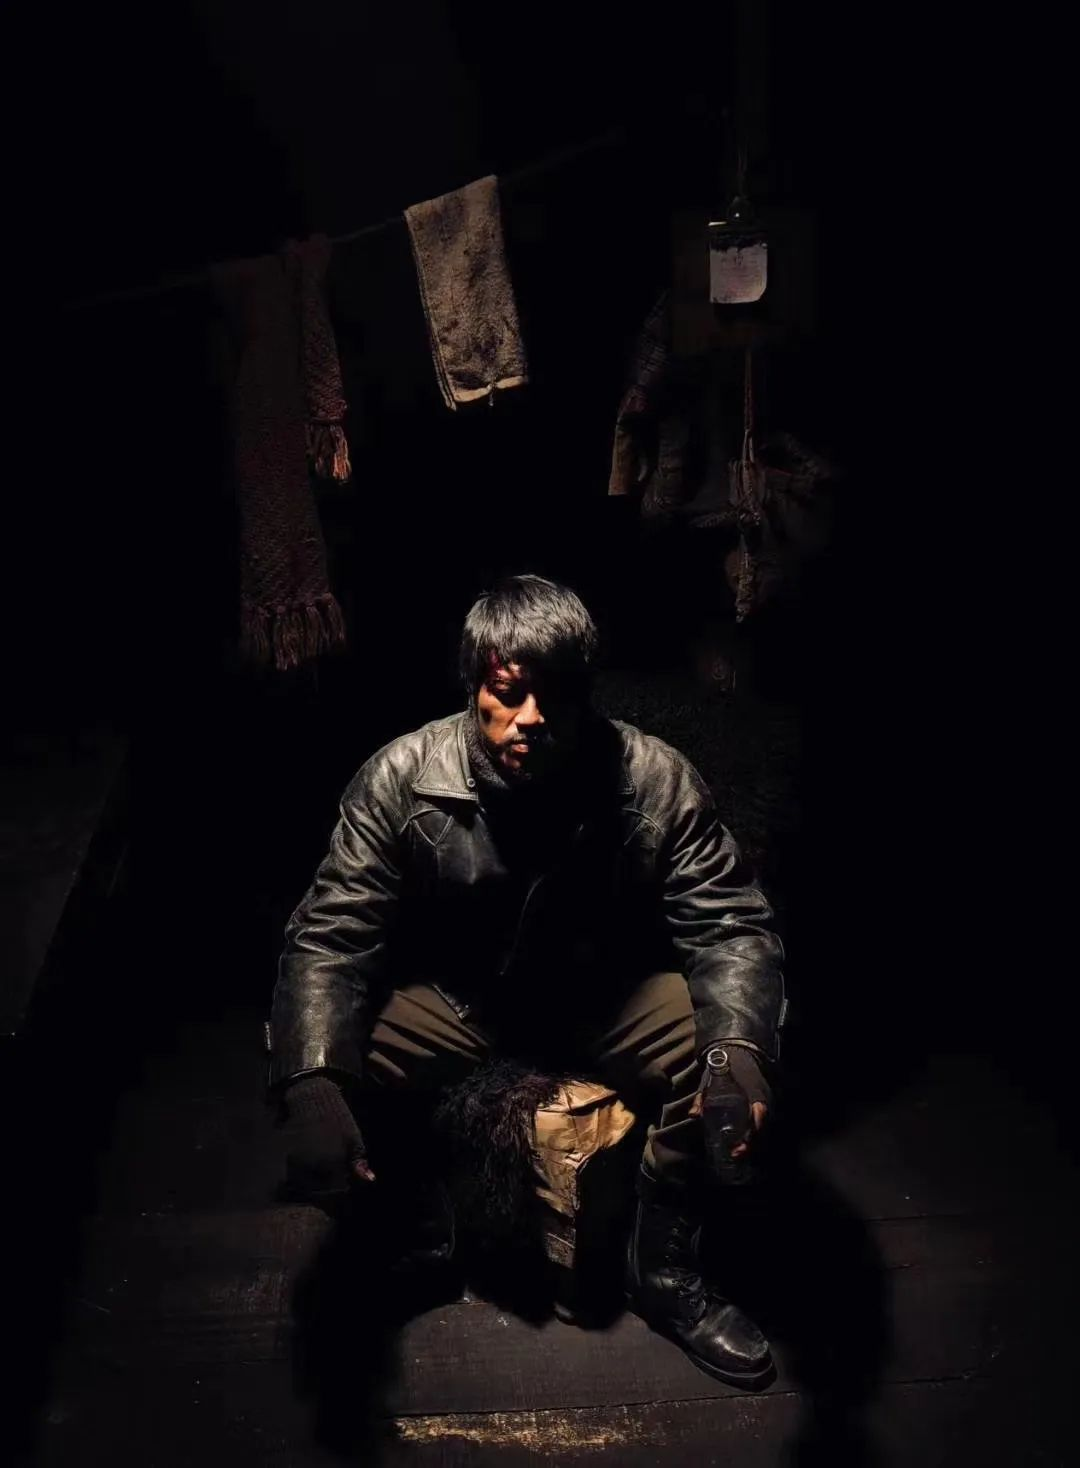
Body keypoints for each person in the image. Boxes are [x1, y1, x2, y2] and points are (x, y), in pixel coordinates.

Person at [268, 574, 786, 1386]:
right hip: (463, 999)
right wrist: (310, 1080)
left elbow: (729, 924)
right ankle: (422, 1235)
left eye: (555, 695)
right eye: (508, 693)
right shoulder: (403, 775)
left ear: (588, 693)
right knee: (328, 1046)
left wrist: (740, 1056)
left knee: (716, 1044)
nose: (531, 717)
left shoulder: (654, 778)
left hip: (604, 998)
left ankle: (662, 1268)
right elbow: (330, 937)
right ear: (474, 687)